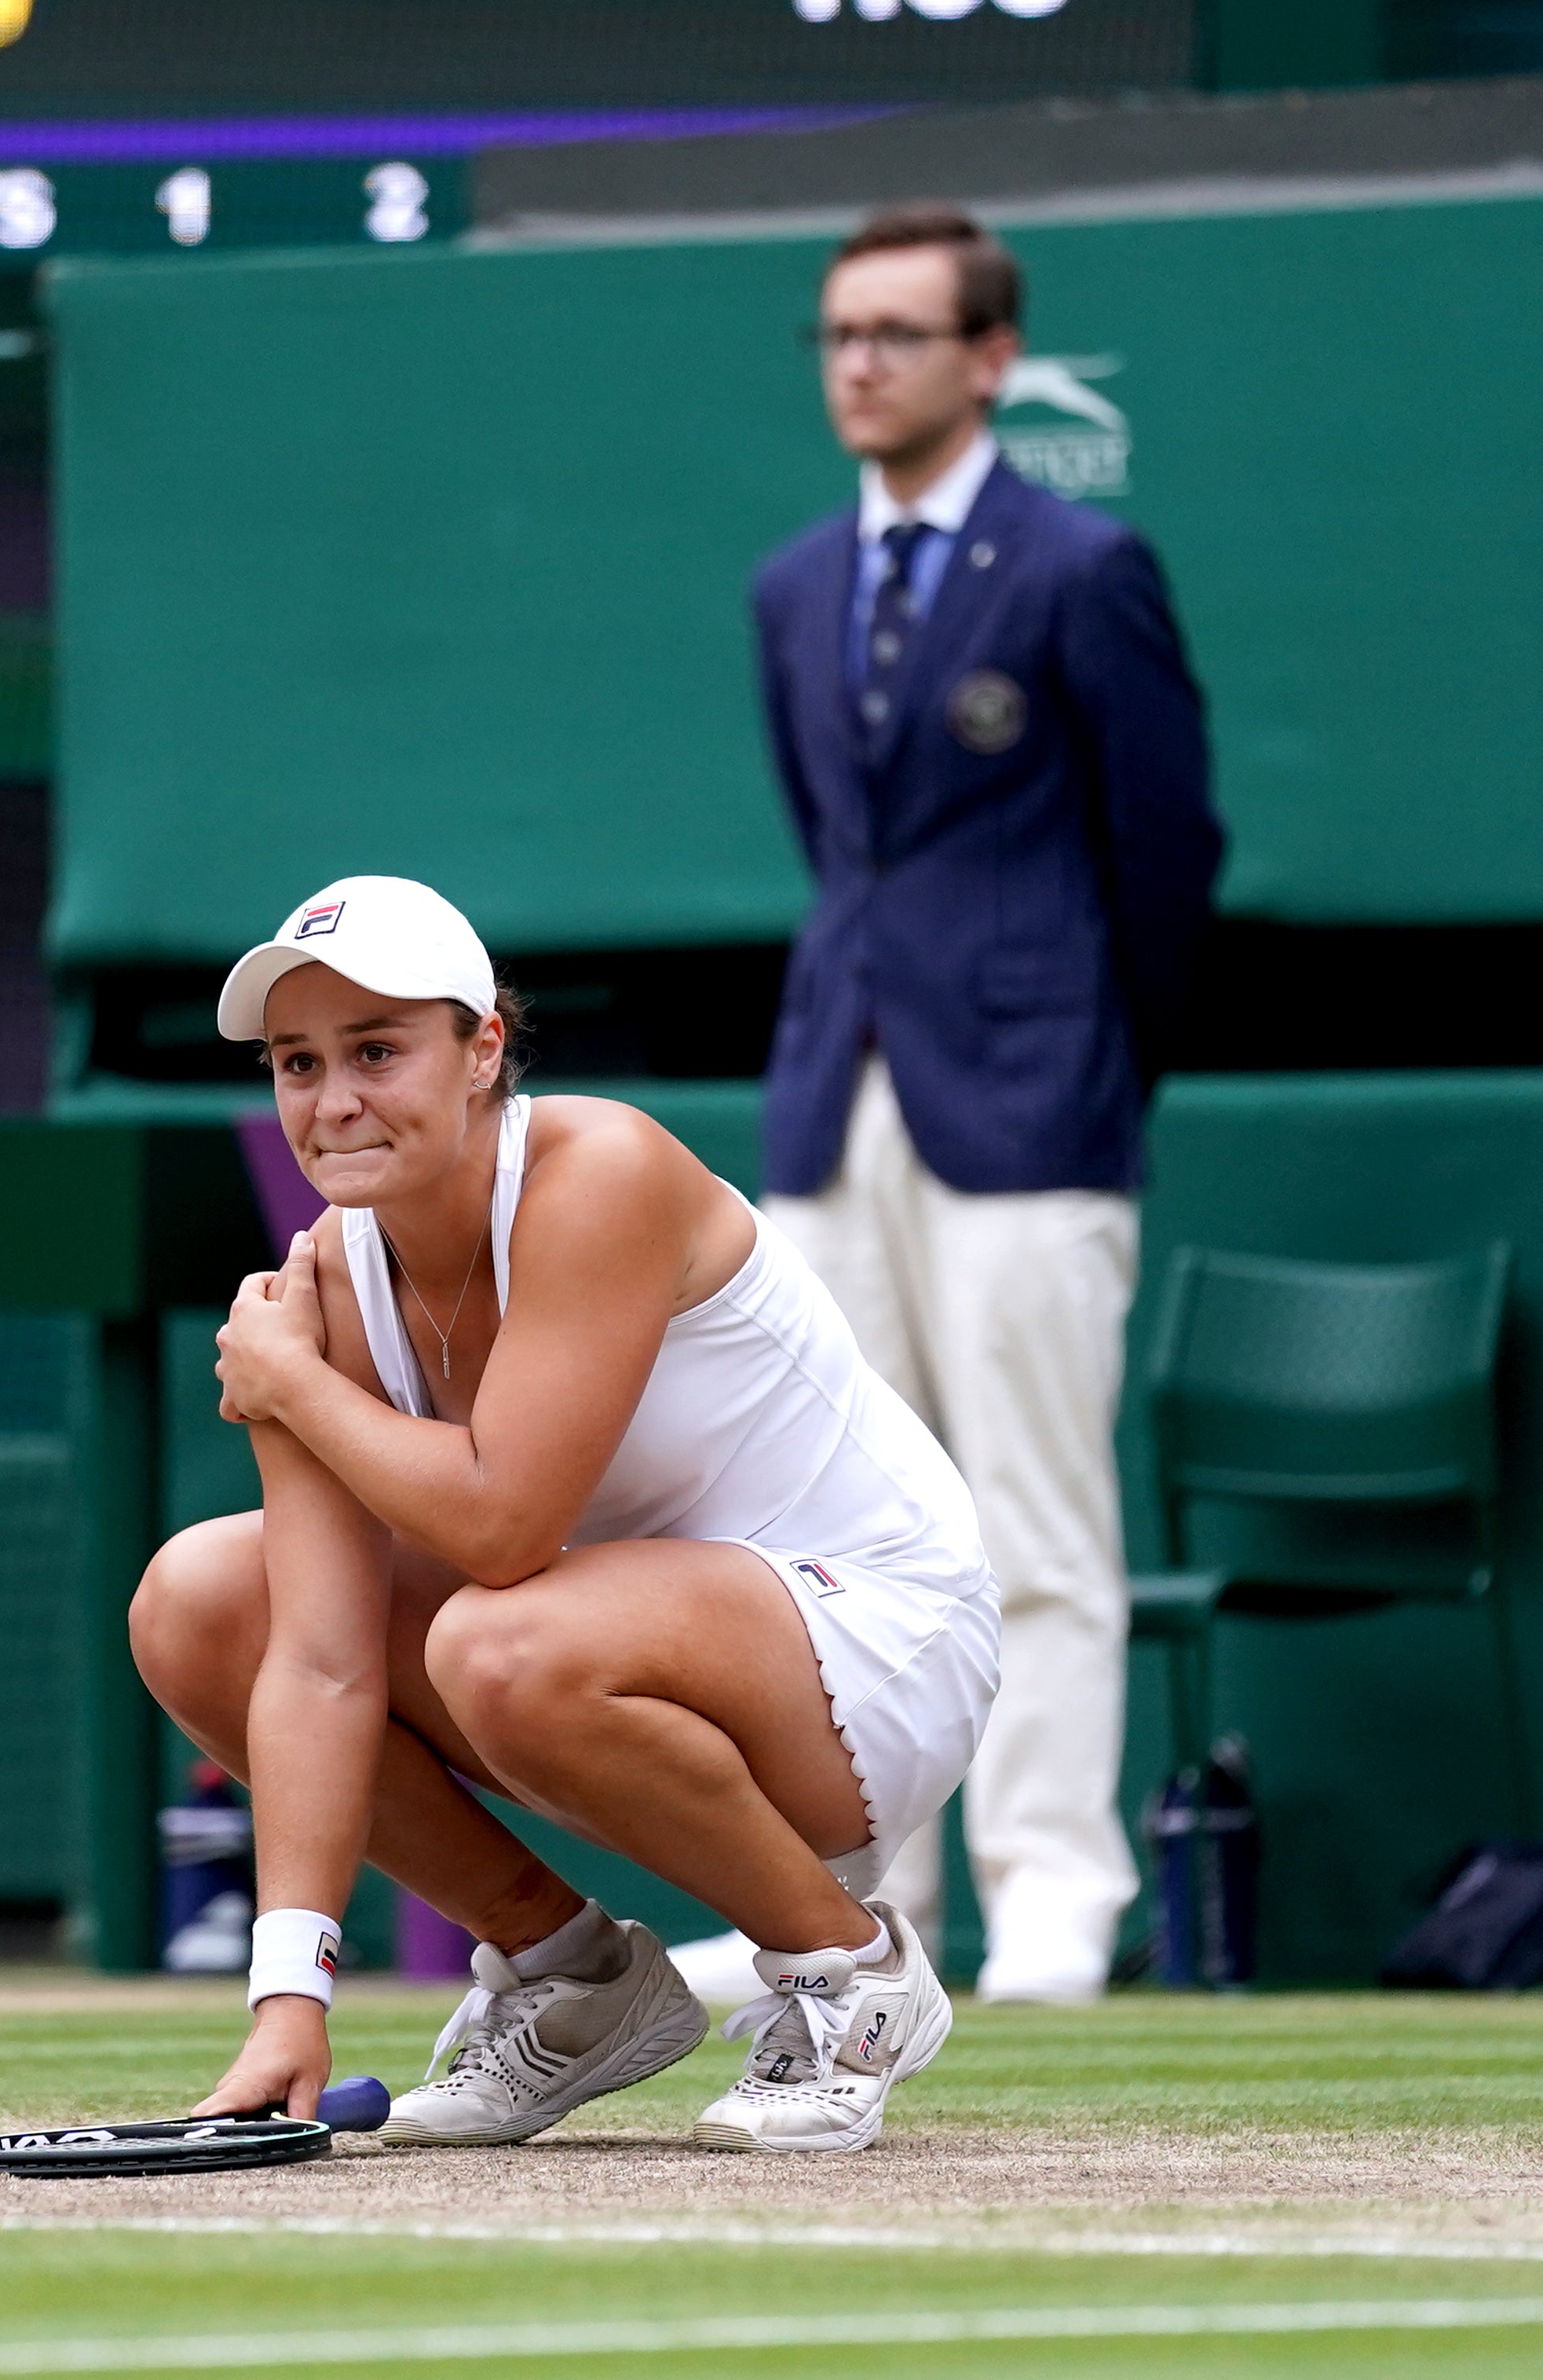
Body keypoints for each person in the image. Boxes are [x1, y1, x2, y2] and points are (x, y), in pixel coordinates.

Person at [129, 875, 999, 2155]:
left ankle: (851, 1971)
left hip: (884, 1645)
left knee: (499, 1639)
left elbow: (502, 1530)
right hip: (625, 1643)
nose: (334, 1099)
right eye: (297, 1062)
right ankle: (571, 1975)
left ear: (483, 1049)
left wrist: (297, 1386)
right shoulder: (327, 1277)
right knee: (200, 1603)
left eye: (376, 1051)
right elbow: (317, 1663)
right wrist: (287, 2000)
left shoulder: (602, 1171)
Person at [689, 203, 1223, 2009]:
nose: (860, 364)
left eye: (899, 333)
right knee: (829, 1526)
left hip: (1032, 1106)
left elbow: (1166, 853)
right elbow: (833, 844)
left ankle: (1056, 1886)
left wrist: (1086, 1054)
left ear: (994, 359)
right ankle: (848, 1901)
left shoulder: (1083, 567)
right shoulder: (791, 588)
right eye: (839, 333)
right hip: (832, 1098)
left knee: (1038, 1511)